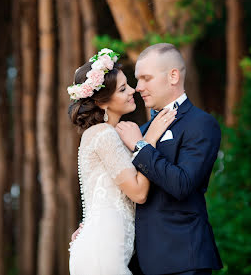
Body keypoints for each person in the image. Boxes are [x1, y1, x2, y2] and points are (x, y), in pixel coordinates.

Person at [116, 43, 223, 275]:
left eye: (146, 78)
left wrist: (141, 146)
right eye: (137, 79)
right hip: (139, 262)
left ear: (173, 76)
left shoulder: (201, 123)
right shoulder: (142, 130)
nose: (138, 87)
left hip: (183, 258)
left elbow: (182, 184)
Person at [67, 48, 176, 275]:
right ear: (102, 102)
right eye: (124, 88)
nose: (134, 90)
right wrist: (148, 141)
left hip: (103, 243)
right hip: (103, 249)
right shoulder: (104, 134)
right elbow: (138, 193)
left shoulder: (106, 134)